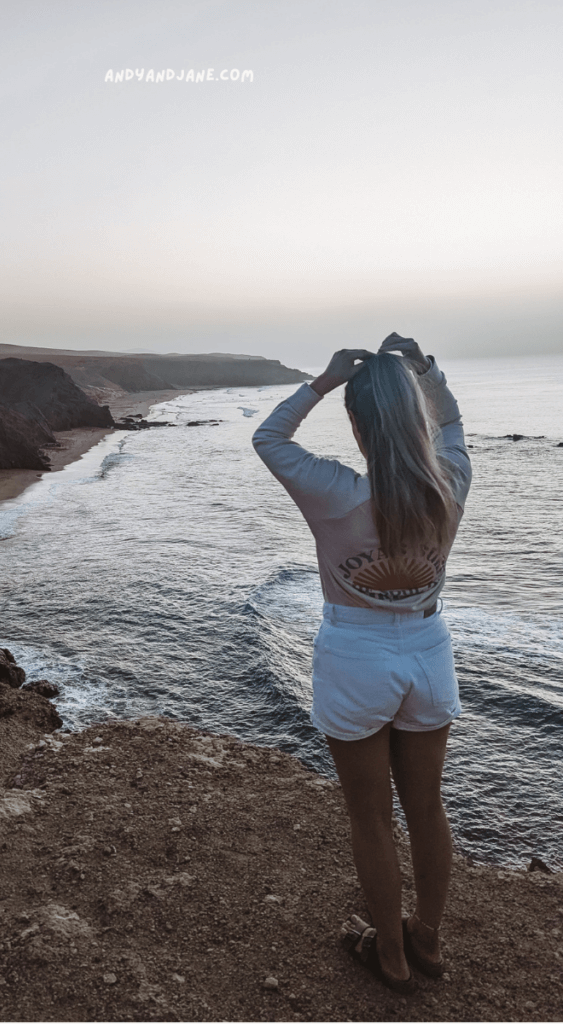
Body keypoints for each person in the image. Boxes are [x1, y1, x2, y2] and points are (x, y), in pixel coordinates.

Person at [252, 333, 471, 994]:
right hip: (429, 653)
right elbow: (454, 424)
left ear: (357, 424)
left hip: (355, 655)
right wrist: (425, 372)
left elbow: (269, 438)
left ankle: (391, 957)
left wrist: (322, 382)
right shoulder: (452, 481)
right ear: (414, 417)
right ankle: (426, 940)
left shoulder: (333, 492)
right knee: (427, 808)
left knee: (372, 816)